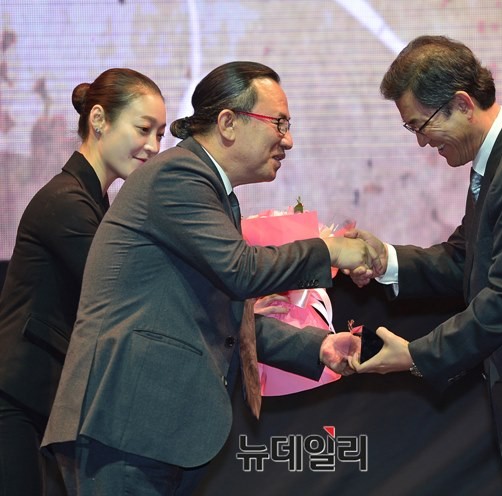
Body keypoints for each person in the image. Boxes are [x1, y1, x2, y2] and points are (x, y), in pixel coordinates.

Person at [41, 61, 371, 496]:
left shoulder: (212, 192)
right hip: (124, 423)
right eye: (279, 123)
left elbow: (224, 317)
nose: (287, 140)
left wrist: (319, 346)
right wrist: (329, 250)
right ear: (228, 123)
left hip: (148, 430)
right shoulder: (178, 176)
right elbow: (242, 271)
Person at [346, 35, 502, 495]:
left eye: (421, 125)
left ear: (462, 103)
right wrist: (387, 260)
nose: (421, 142)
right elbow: (465, 257)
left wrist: (417, 354)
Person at [0, 68, 166, 496]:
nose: (153, 146)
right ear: (98, 120)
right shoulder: (67, 201)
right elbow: (128, 288)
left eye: (160, 134)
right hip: (14, 402)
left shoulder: (93, 201)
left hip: (41, 402)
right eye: (143, 129)